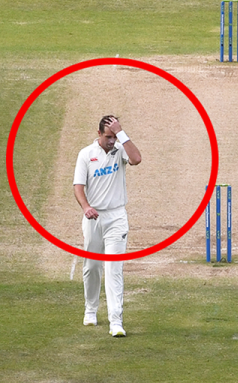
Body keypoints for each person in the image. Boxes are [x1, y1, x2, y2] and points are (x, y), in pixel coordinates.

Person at [74, 115, 142, 337]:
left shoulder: (121, 149)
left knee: (113, 269)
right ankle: (91, 309)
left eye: (114, 136)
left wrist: (122, 133)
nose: (112, 141)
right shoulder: (86, 154)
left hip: (116, 217)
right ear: (99, 134)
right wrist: (86, 207)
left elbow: (137, 159)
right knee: (92, 266)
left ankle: (116, 321)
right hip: (93, 218)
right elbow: (78, 186)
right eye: (108, 137)